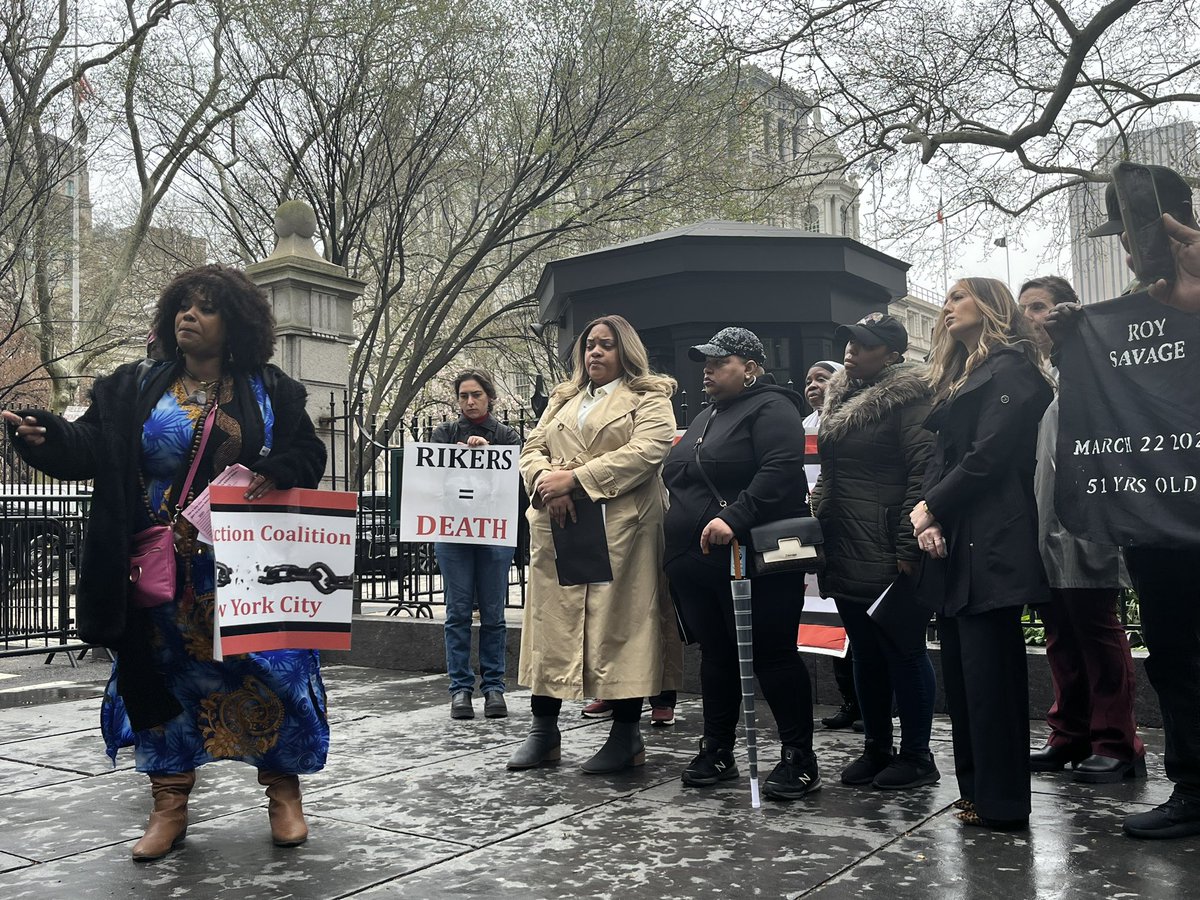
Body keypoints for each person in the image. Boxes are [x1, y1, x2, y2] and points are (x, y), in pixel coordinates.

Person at [3, 264, 328, 860]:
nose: (189, 316)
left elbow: (308, 454)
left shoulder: (272, 390)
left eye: (205, 308)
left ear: (234, 323)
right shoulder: (133, 387)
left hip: (245, 572)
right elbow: (90, 449)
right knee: (160, 683)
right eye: (183, 305)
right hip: (158, 574)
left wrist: (275, 470)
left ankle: (284, 793)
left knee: (274, 674)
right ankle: (169, 804)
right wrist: (43, 435)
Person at [1046, 168, 1200, 839]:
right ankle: (1194, 789)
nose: (1133, 253)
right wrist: (1077, 341)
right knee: (1172, 654)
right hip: (1156, 527)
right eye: (1125, 240)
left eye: (1139, 236)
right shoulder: (1122, 320)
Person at [508, 314, 681, 773]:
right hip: (558, 529)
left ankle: (626, 735)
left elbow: (647, 451)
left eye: (605, 345)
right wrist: (548, 481)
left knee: (623, 625)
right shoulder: (564, 399)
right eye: (589, 345)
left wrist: (576, 481)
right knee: (551, 624)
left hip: (623, 528)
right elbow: (531, 449)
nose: (595, 353)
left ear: (625, 350)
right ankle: (543, 731)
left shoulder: (650, 398)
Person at [911, 277, 1053, 830]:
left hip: (995, 536)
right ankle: (974, 793)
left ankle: (1000, 801)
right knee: (966, 678)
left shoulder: (1014, 370)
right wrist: (929, 514)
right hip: (958, 535)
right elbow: (942, 455)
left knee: (991, 676)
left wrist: (931, 508)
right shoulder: (958, 375)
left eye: (957, 298)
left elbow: (988, 457)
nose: (946, 308)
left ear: (988, 307)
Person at [663, 327, 820, 801]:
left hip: (753, 558)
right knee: (716, 656)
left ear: (750, 367)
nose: (706, 369)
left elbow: (779, 467)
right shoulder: (707, 415)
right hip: (697, 563)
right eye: (704, 362)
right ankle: (718, 746)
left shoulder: (773, 407)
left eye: (719, 361)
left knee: (772, 654)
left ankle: (798, 756)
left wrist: (736, 516)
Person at [1018, 276, 1145, 783]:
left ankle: (1117, 742)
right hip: (1049, 526)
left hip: (1090, 525)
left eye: (1041, 307)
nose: (1032, 317)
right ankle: (1070, 733)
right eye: (1025, 308)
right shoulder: (1047, 376)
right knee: (1060, 636)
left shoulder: (1093, 363)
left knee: (1097, 632)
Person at [812, 313, 939, 790]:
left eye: (863, 344)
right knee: (864, 650)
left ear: (891, 353)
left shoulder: (910, 397)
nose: (851, 351)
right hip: (845, 542)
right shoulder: (840, 395)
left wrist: (909, 542)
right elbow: (829, 471)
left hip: (888, 545)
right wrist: (819, 512)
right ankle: (877, 748)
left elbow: (922, 474)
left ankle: (917, 756)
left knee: (903, 651)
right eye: (849, 341)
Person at [431, 369, 522, 721]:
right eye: (464, 396)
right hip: (453, 534)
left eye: (476, 395)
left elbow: (517, 481)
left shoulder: (506, 436)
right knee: (456, 613)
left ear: (490, 397)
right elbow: (430, 484)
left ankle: (494, 687)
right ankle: (460, 690)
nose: (470, 402)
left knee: (494, 613)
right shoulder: (443, 434)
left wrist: (490, 454)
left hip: (493, 535)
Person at [803, 361, 862, 732]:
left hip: (852, 534)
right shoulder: (802, 428)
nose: (812, 385)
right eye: (808, 380)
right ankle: (849, 702)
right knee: (833, 629)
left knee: (858, 632)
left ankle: (876, 705)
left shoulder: (849, 420)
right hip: (817, 531)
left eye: (821, 379)